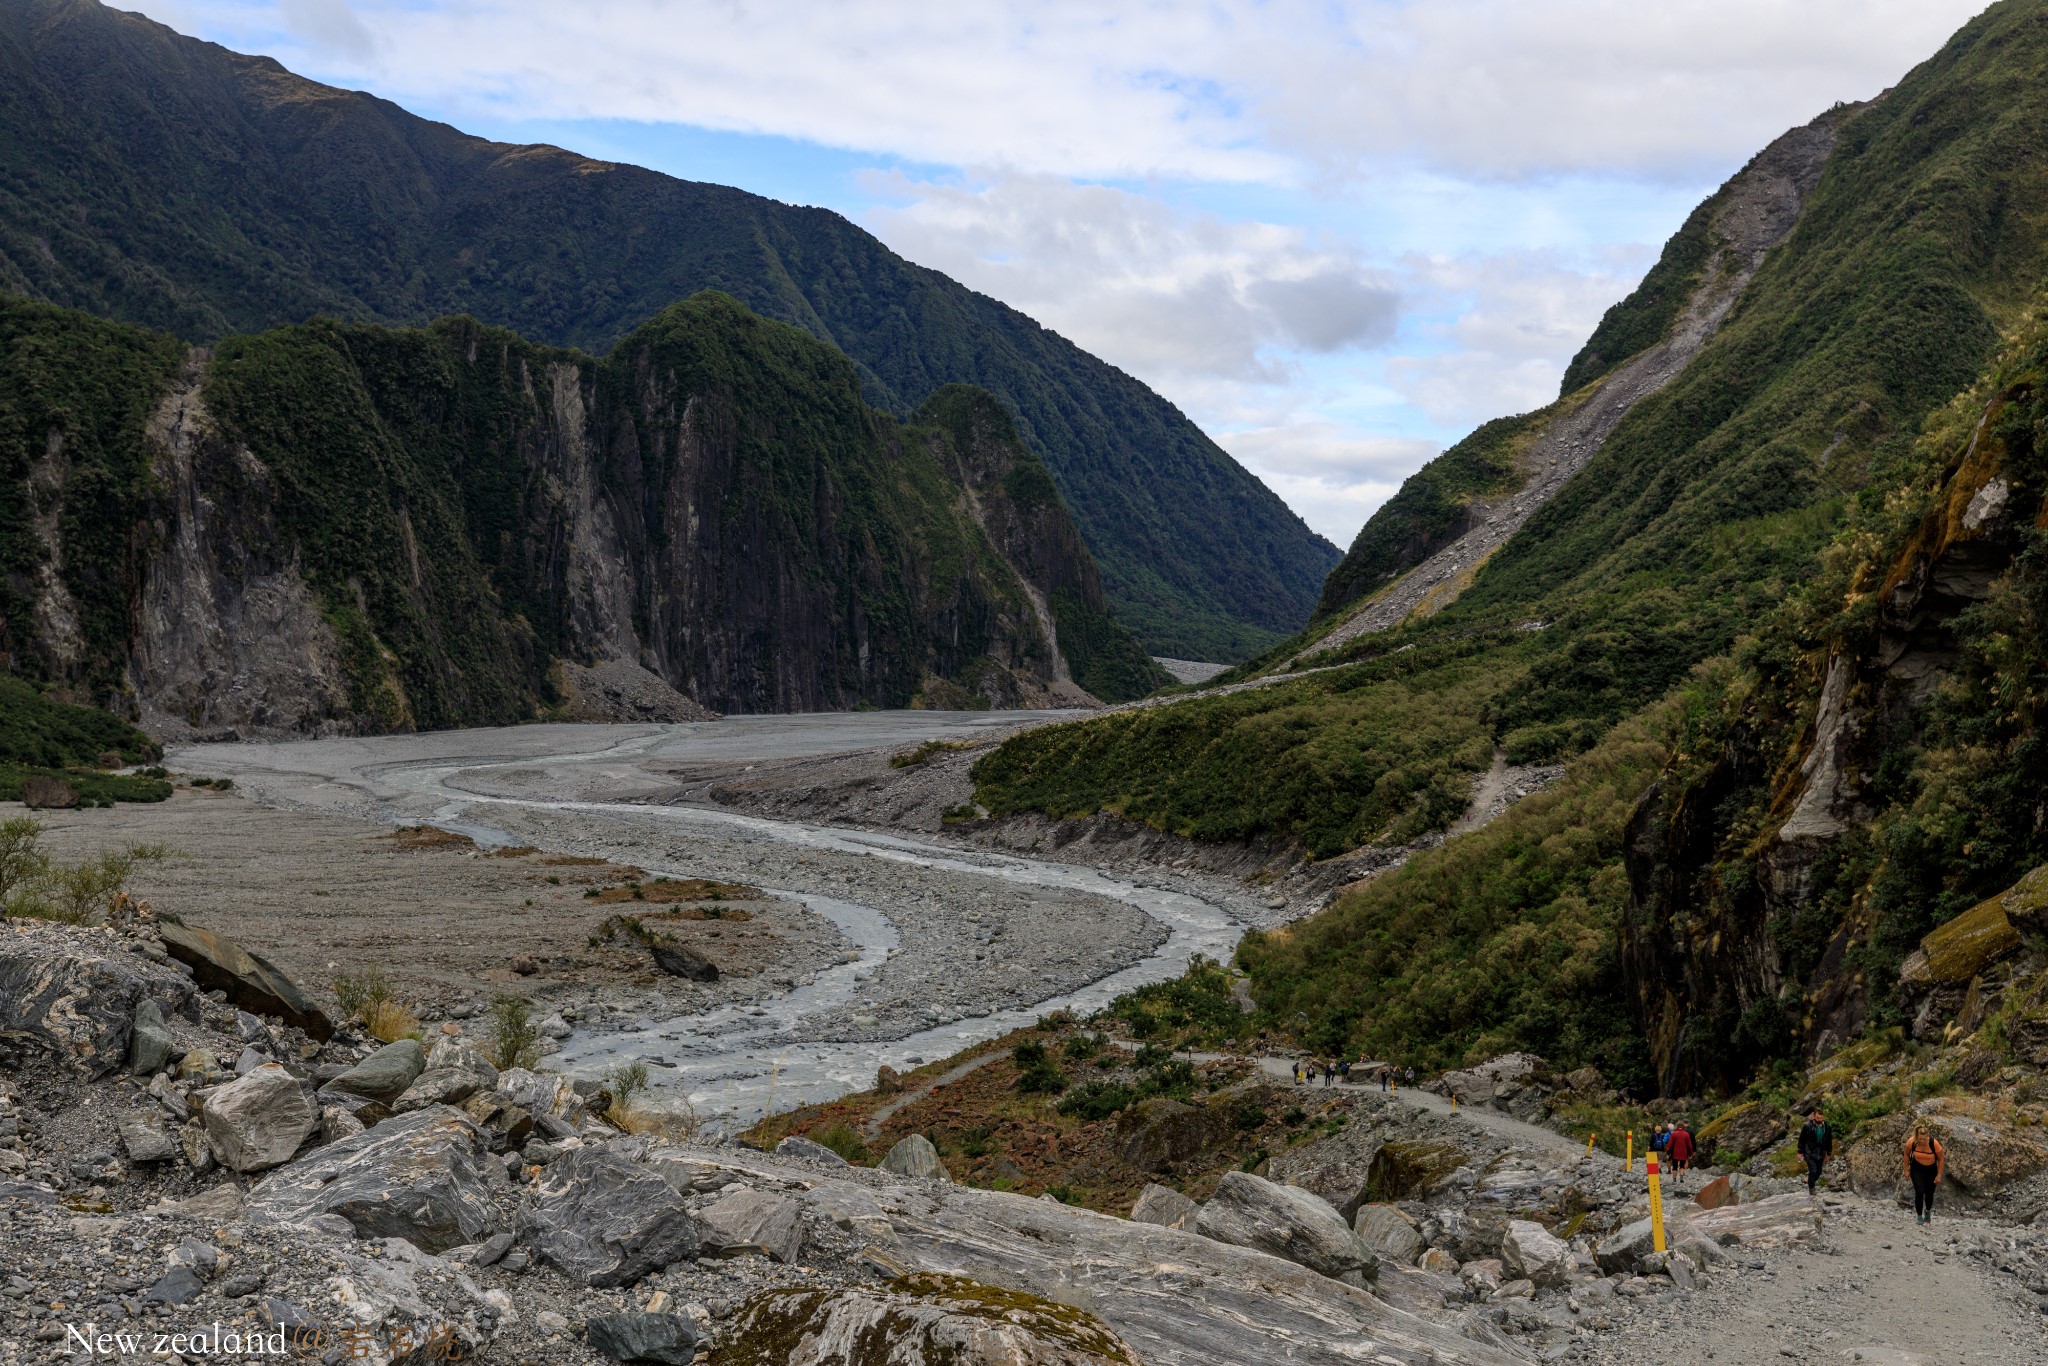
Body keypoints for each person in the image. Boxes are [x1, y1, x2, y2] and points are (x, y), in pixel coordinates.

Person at [1903, 1123, 1944, 1224]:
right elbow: (1906, 1155)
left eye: (1924, 1139)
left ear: (1927, 1137)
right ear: (1917, 1137)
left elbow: (1941, 1159)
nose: (1922, 1141)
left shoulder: (1934, 1143)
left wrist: (1939, 1175)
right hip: (1917, 1169)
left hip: (1931, 1170)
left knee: (1929, 1193)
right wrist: (1906, 1170)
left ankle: (1928, 1211)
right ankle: (1919, 1216)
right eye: (1920, 1139)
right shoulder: (1911, 1142)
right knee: (1919, 1191)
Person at [1797, 1107, 1835, 1195]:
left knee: (1819, 1172)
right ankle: (1811, 1188)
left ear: (1823, 1117)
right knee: (1813, 1170)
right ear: (1814, 1117)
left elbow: (1829, 1140)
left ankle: (1810, 1181)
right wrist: (1800, 1152)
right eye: (1817, 1118)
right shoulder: (1807, 1126)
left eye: (1821, 1118)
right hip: (1809, 1152)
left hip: (1821, 1153)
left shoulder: (1827, 1127)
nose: (1819, 1120)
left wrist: (1829, 1153)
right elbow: (1801, 1139)